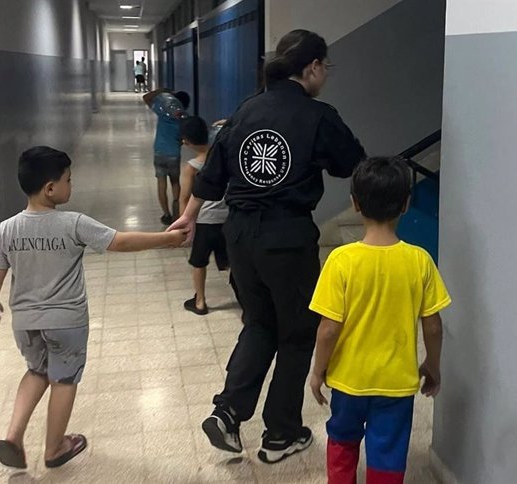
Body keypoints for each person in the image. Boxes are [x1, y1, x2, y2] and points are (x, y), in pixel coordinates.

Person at [169, 29, 366, 464]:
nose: (325, 76)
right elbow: (352, 162)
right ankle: (281, 433)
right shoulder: (317, 115)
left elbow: (214, 172)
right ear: (313, 67)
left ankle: (228, 412)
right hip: (286, 236)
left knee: (259, 323)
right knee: (297, 332)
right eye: (325, 68)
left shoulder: (247, 108)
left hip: (239, 236)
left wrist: (190, 213)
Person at [0, 146, 186, 470]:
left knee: (36, 372)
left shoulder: (7, 228)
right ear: (51, 188)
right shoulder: (72, 223)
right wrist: (167, 239)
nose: (71, 185)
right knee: (63, 379)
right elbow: (120, 242)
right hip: (66, 322)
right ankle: (54, 448)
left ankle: (13, 436)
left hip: (25, 322)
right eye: (68, 180)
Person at [308, 156, 451, 484]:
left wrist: (318, 371)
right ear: (406, 203)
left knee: (342, 441)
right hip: (396, 384)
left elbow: (328, 329)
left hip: (347, 381)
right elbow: (433, 324)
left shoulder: (341, 261)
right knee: (388, 451)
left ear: (355, 203)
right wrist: (432, 363)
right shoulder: (420, 260)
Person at [178, 116, 229, 315]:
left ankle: (200, 302)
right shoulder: (222, 156)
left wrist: (184, 228)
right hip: (227, 219)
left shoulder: (191, 167)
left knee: (198, 262)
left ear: (187, 142)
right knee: (231, 263)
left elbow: (184, 198)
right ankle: (246, 302)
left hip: (204, 222)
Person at [142, 88, 191, 225]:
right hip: (173, 154)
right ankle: (177, 212)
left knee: (161, 183)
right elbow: (185, 139)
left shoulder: (162, 112)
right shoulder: (183, 119)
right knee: (175, 183)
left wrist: (162, 90)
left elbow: (146, 97)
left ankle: (166, 214)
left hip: (159, 152)